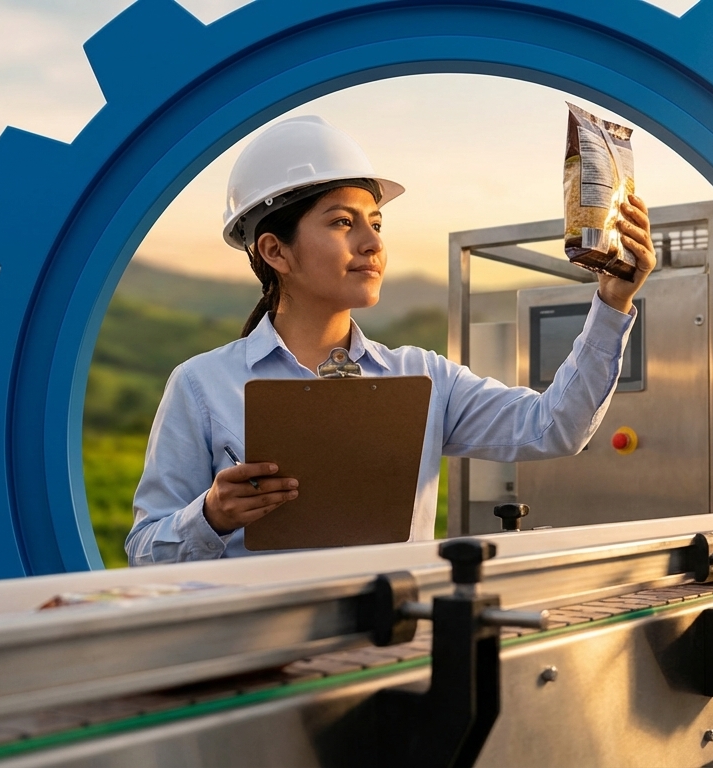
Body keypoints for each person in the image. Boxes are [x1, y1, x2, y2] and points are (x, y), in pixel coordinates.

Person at [126, 115, 655, 565]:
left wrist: (612, 304)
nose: (372, 242)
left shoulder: (423, 378)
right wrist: (212, 515)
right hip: (263, 670)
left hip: (394, 655)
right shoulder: (201, 385)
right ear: (275, 251)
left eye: (375, 223)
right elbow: (144, 551)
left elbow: (553, 428)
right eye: (341, 222)